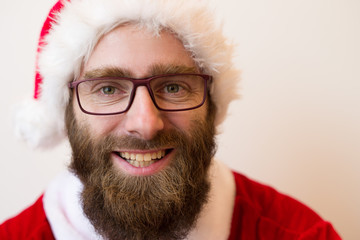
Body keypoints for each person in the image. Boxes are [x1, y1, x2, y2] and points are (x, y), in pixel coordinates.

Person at [0, 0, 341, 239]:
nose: (146, 123)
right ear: (65, 110)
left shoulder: (300, 235)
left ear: (211, 102)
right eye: (107, 89)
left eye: (174, 87)